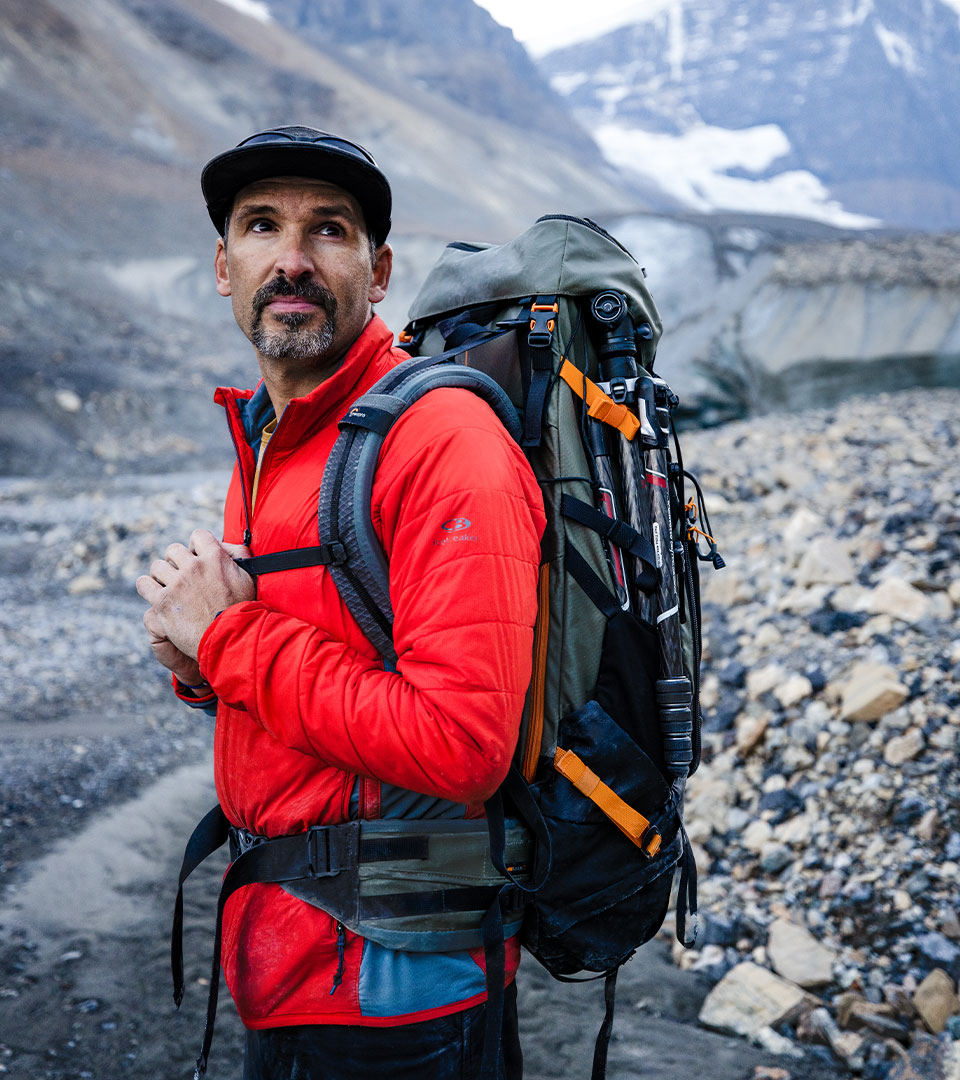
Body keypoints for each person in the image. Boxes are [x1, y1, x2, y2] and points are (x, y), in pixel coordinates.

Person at [135, 126, 545, 1079]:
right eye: (261, 226)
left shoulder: (442, 441)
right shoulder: (278, 436)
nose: (291, 259)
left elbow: (461, 743)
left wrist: (229, 636)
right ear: (222, 266)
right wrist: (202, 666)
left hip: (396, 994)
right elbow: (316, 662)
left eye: (329, 230)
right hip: (292, 959)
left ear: (380, 268)